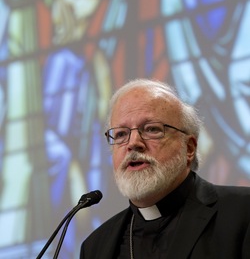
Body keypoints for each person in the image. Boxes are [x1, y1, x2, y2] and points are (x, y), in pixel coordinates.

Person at [80, 78, 250, 259]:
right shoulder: (95, 247)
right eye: (121, 134)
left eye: (152, 129)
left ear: (189, 148)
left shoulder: (243, 214)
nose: (133, 143)